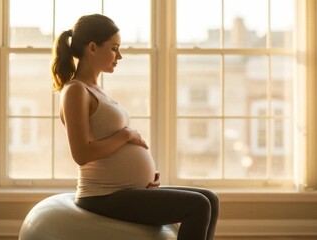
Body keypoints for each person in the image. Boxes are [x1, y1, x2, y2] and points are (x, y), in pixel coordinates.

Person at [51, 13, 218, 240]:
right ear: (92, 48)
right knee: (198, 205)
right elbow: (81, 153)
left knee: (210, 198)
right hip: (102, 195)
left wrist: (142, 177)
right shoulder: (75, 91)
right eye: (114, 48)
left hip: (124, 191)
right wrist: (126, 135)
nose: (119, 55)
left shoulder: (96, 89)